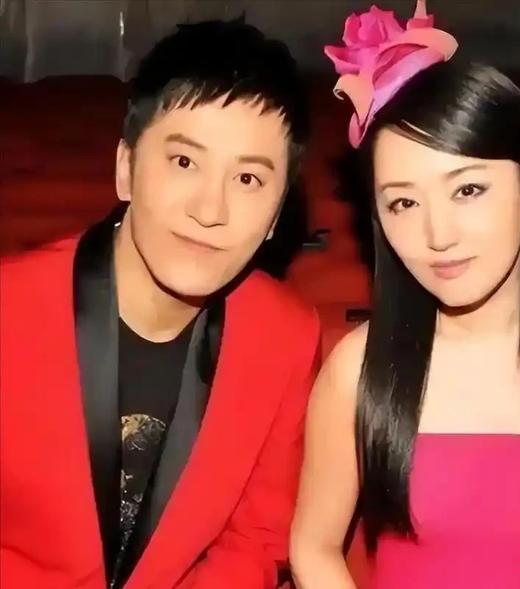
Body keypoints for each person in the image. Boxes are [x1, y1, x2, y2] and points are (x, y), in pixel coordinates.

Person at [290, 2, 520, 588]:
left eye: (468, 190)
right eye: (404, 202)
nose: (438, 235)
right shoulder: (359, 368)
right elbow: (314, 547)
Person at [1, 17, 320, 589]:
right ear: (126, 168)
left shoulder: (286, 335)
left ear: (277, 214)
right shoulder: (10, 308)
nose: (210, 210)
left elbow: (257, 539)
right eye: (184, 162)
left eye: (248, 179)